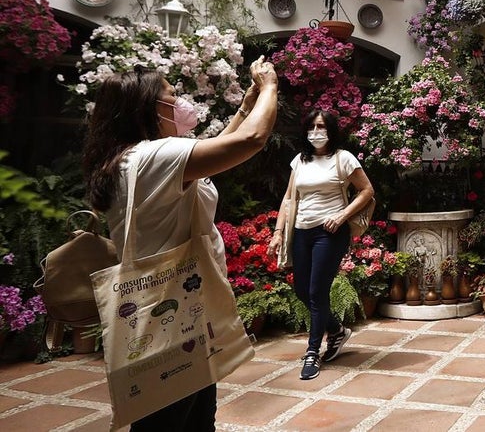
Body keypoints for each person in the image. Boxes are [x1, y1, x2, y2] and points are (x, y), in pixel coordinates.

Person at [83, 58, 279, 431]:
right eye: (172, 96)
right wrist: (270, 87)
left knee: (192, 416)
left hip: (182, 310)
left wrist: (246, 105)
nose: (181, 102)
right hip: (167, 311)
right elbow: (250, 141)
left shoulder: (132, 158)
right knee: (171, 419)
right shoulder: (154, 157)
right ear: (148, 108)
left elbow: (215, 149)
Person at [268, 109, 374, 381]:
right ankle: (337, 331)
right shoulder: (299, 161)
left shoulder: (343, 158)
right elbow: (289, 199)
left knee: (317, 290)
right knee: (302, 290)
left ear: (331, 130)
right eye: (312, 126)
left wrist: (341, 216)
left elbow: (367, 191)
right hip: (302, 232)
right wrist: (278, 232)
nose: (316, 131)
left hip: (330, 232)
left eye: (322, 126)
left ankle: (313, 351)